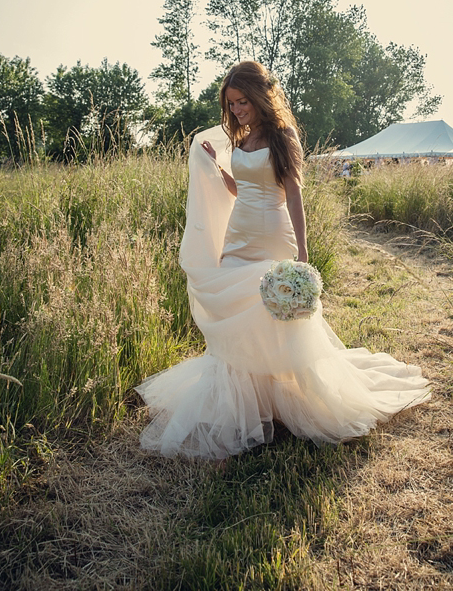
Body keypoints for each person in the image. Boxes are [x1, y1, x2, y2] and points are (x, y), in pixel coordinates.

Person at [135, 61, 429, 460]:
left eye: (242, 101)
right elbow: (243, 189)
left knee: (274, 317)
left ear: (259, 96)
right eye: (231, 104)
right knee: (237, 314)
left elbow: (292, 194)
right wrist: (218, 166)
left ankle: (293, 399)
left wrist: (303, 254)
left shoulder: (283, 135)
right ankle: (246, 405)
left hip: (273, 235)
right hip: (237, 236)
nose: (236, 110)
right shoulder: (240, 136)